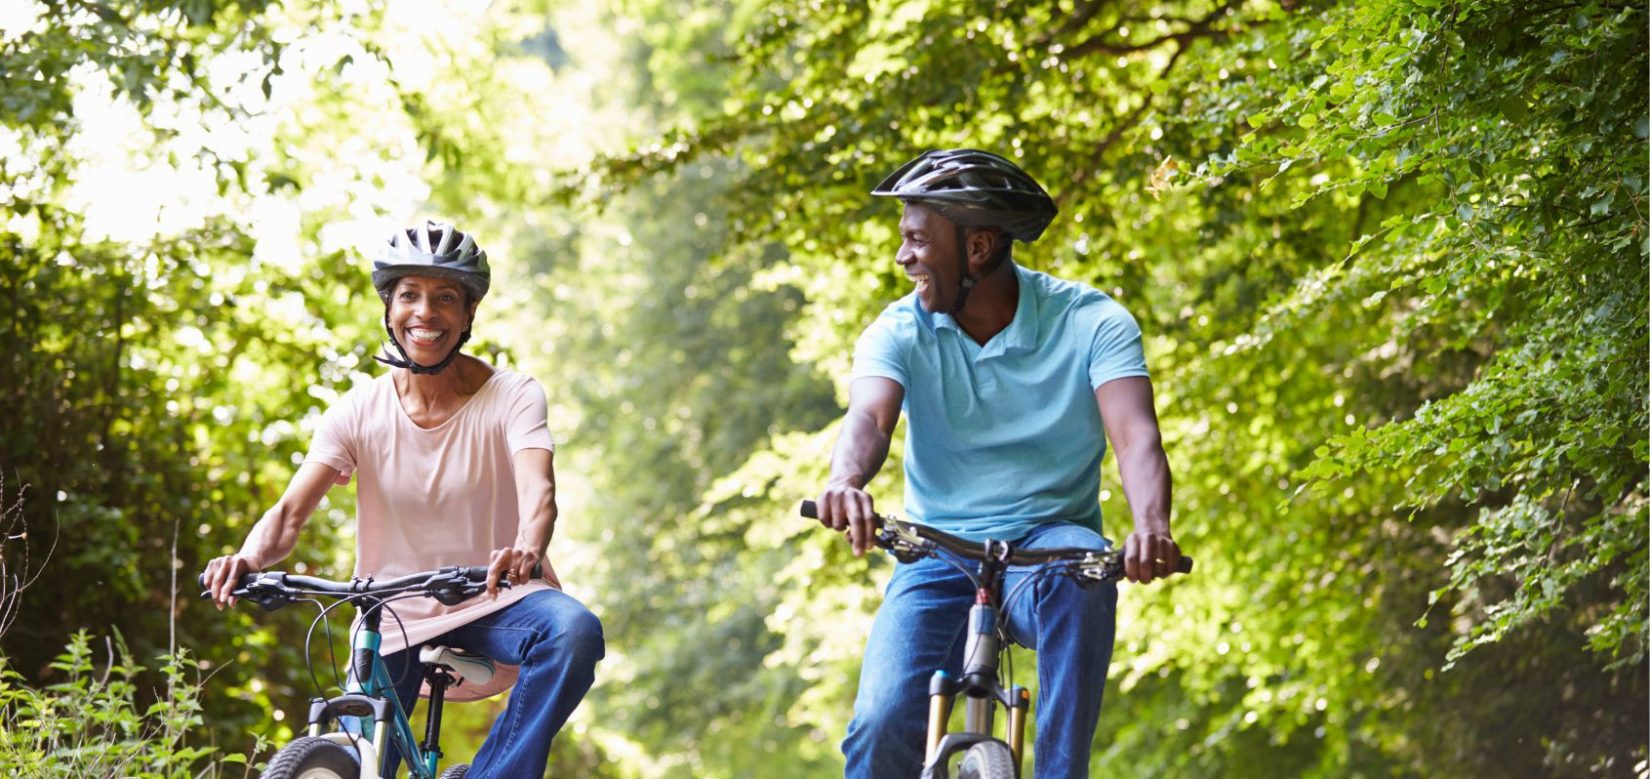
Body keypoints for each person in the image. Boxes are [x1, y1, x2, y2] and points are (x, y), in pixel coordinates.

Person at [811, 149, 1183, 779]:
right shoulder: (900, 330)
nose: (903, 257)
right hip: (938, 553)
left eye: (918, 240)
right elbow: (870, 420)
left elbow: (1135, 435)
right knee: (879, 726)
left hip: (1048, 547)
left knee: (1081, 579)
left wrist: (1152, 525)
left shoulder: (1091, 322)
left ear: (978, 247)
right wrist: (844, 482)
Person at [201, 219, 604, 778]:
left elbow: (540, 490)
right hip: (391, 614)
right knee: (352, 763)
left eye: (445, 298)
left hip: (495, 600)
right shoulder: (357, 411)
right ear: (389, 309)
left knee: (572, 631)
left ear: (468, 316)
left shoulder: (512, 396)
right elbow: (289, 515)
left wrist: (526, 548)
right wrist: (248, 559)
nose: (426, 312)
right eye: (409, 295)